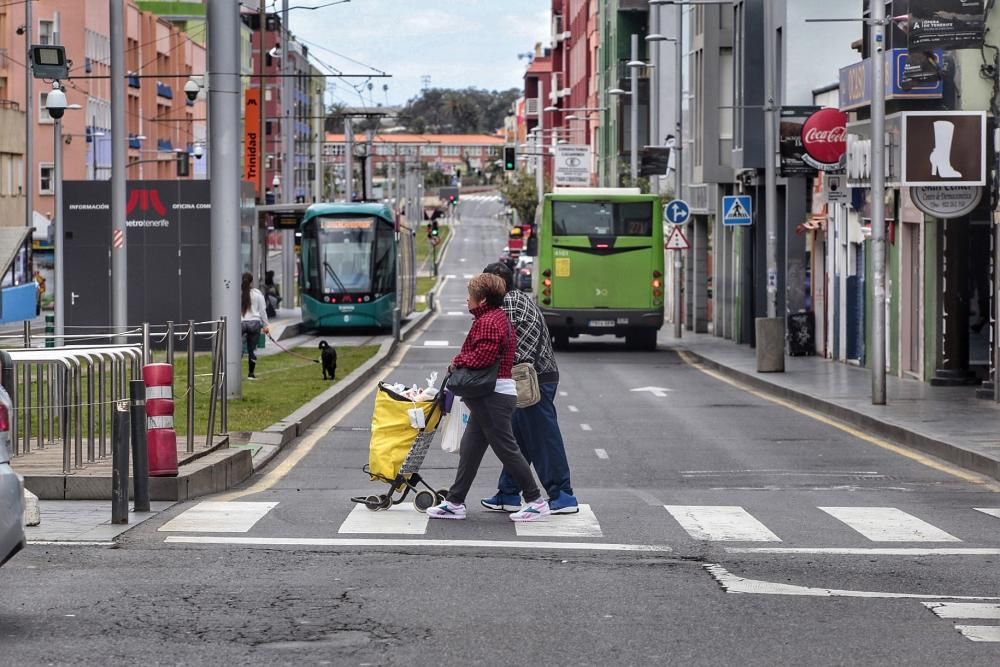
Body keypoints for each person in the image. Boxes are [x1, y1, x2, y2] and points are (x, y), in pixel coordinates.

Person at [428, 273, 549, 522]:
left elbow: (484, 357)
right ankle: (455, 501)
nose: (467, 299)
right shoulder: (495, 318)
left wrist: (457, 362)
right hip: (490, 395)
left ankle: (535, 500)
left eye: (470, 295)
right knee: (471, 449)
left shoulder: (489, 322)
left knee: (507, 449)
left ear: (482, 300)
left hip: (492, 395)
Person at [480, 262, 578, 515]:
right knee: (520, 439)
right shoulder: (517, 298)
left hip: (533, 380)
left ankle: (563, 495)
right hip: (534, 377)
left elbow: (495, 341)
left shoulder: (509, 303)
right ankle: (508, 493)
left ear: (496, 284)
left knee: (544, 439)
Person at [240, 272, 270, 379]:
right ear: (252, 282)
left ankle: (234, 374)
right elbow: (263, 311)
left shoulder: (238, 294)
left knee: (238, 349)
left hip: (241, 323)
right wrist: (266, 326)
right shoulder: (258, 294)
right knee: (251, 349)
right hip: (255, 323)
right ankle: (251, 374)